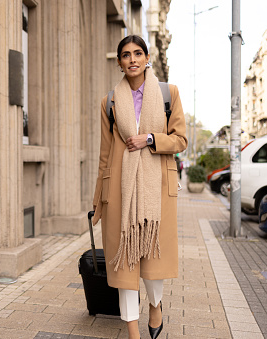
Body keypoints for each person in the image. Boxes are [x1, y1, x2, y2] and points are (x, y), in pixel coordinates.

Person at [92, 35, 187, 339]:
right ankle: (133, 331)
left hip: (157, 187)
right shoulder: (109, 102)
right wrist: (98, 199)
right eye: (125, 55)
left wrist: (149, 139)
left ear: (147, 58)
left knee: (153, 259)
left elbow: (181, 140)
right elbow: (105, 155)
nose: (131, 59)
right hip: (120, 189)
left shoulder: (168, 94)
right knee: (124, 262)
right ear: (119, 63)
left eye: (137, 53)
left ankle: (156, 304)